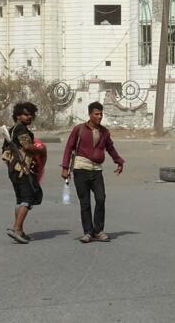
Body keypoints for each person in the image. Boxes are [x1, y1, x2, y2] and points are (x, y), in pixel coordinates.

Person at [61, 102, 124, 243]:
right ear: (90, 114)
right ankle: (88, 232)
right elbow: (68, 148)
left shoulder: (104, 132)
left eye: (101, 114)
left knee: (101, 199)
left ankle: (99, 230)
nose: (99, 116)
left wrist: (119, 161)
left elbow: (110, 148)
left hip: (96, 170)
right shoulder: (79, 129)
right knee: (85, 203)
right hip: (80, 168)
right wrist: (65, 167)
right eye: (96, 114)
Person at [2, 102, 45, 244]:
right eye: (26, 114)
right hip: (22, 169)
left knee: (21, 200)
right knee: (28, 198)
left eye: (31, 114)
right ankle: (16, 229)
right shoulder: (21, 129)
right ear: (18, 116)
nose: (29, 117)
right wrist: (40, 149)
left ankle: (20, 230)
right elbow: (27, 147)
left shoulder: (12, 130)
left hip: (14, 169)